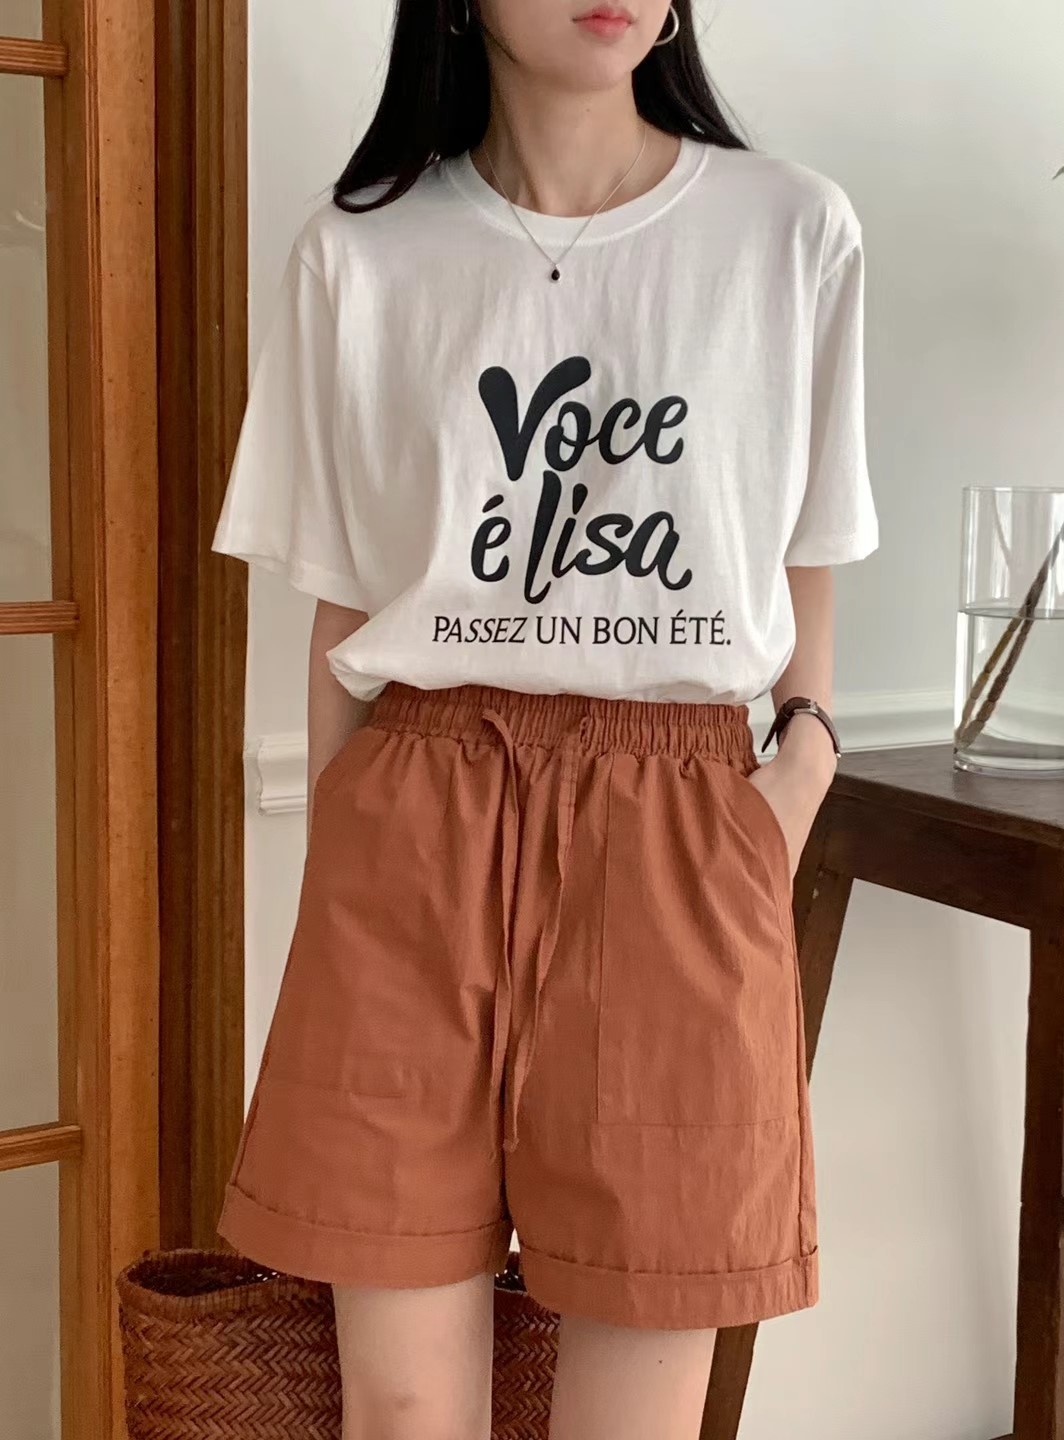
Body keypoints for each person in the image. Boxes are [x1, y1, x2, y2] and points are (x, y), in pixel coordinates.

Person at [210, 0, 879, 1434]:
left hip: (683, 822)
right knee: (402, 1411)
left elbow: (810, 549)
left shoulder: (787, 230)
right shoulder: (362, 252)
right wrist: (348, 851)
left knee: (638, 1406)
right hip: (418, 805)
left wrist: (800, 768)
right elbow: (339, 600)